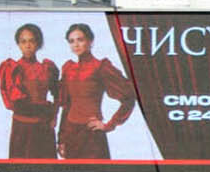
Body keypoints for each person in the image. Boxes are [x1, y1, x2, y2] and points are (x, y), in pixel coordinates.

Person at [54, 22, 161, 162]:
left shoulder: (101, 67)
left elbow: (129, 97)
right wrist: (61, 139)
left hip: (91, 134)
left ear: (90, 41)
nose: (76, 45)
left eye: (80, 40)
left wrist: (109, 125)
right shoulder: (68, 68)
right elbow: (66, 105)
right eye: (71, 41)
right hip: (71, 133)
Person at [0, 22, 60, 160]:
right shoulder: (11, 68)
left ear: (38, 43)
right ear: (18, 44)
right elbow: (9, 102)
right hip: (21, 128)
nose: (27, 45)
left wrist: (54, 117)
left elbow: (58, 95)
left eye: (32, 41)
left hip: (43, 127)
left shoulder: (47, 68)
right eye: (23, 41)